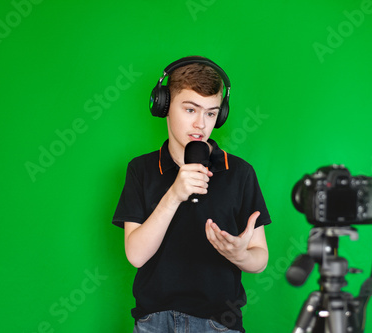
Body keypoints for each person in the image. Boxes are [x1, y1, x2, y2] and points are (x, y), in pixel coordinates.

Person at [112, 56, 271, 333]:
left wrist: (239, 254)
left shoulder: (240, 173)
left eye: (211, 113)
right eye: (190, 110)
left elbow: (260, 259)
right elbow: (135, 255)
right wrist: (174, 194)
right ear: (164, 106)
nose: (201, 124)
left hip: (219, 324)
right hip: (153, 323)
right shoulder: (141, 170)